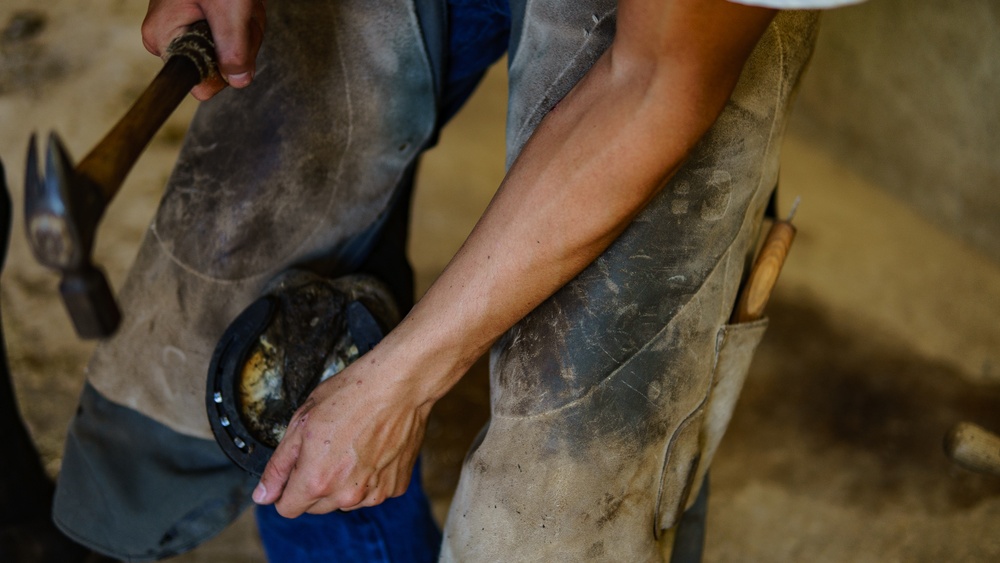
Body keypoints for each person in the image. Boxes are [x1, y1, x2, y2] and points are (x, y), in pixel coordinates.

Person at [50, 0, 861, 561]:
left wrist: (400, 381)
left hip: (659, 44)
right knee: (250, 311)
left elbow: (652, 85)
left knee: (566, 470)